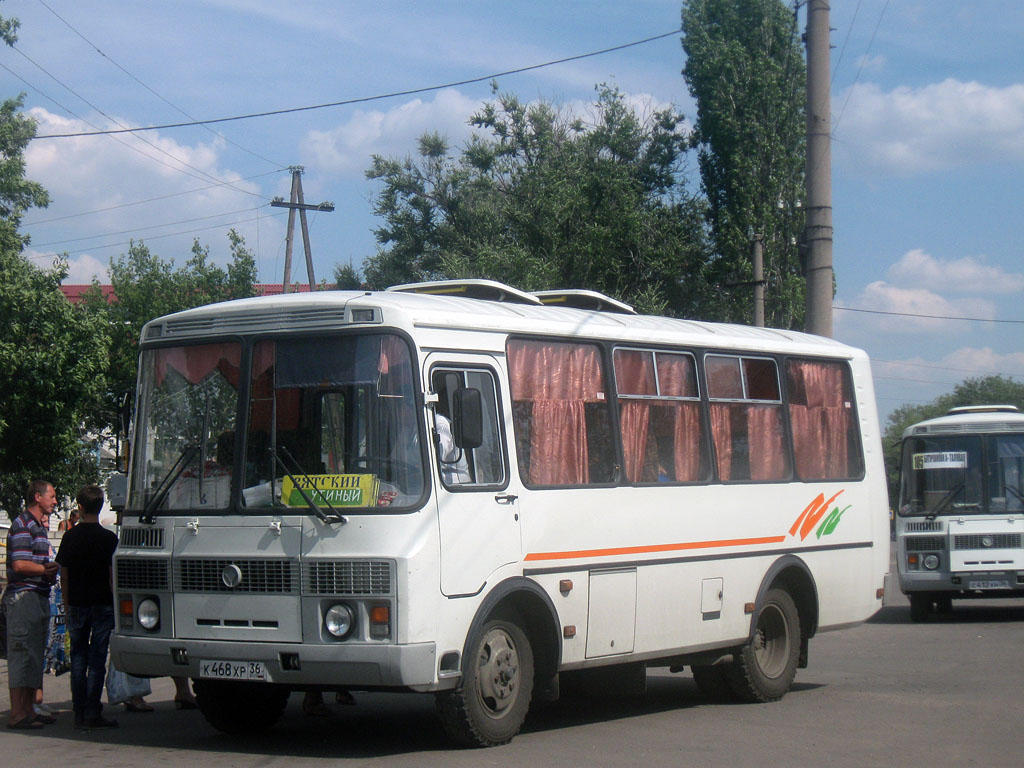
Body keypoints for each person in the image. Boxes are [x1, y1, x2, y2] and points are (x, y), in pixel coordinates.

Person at [56, 484, 120, 729]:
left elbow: (65, 573)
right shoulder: (108, 538)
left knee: (78, 658)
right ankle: (94, 710)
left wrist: (66, 601)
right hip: (103, 603)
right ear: (101, 505)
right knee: (97, 659)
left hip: (78, 603)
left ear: (80, 508)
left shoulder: (70, 537)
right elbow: (111, 576)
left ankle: (78, 710)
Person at [4, 480, 60, 729]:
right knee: (21, 654)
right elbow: (19, 564)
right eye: (52, 496)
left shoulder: (38, 526)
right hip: (22, 597)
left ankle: (28, 709)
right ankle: (18, 713)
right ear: (38, 497)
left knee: (34, 655)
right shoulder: (23, 524)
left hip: (36, 595)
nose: (55, 501)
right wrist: (45, 569)